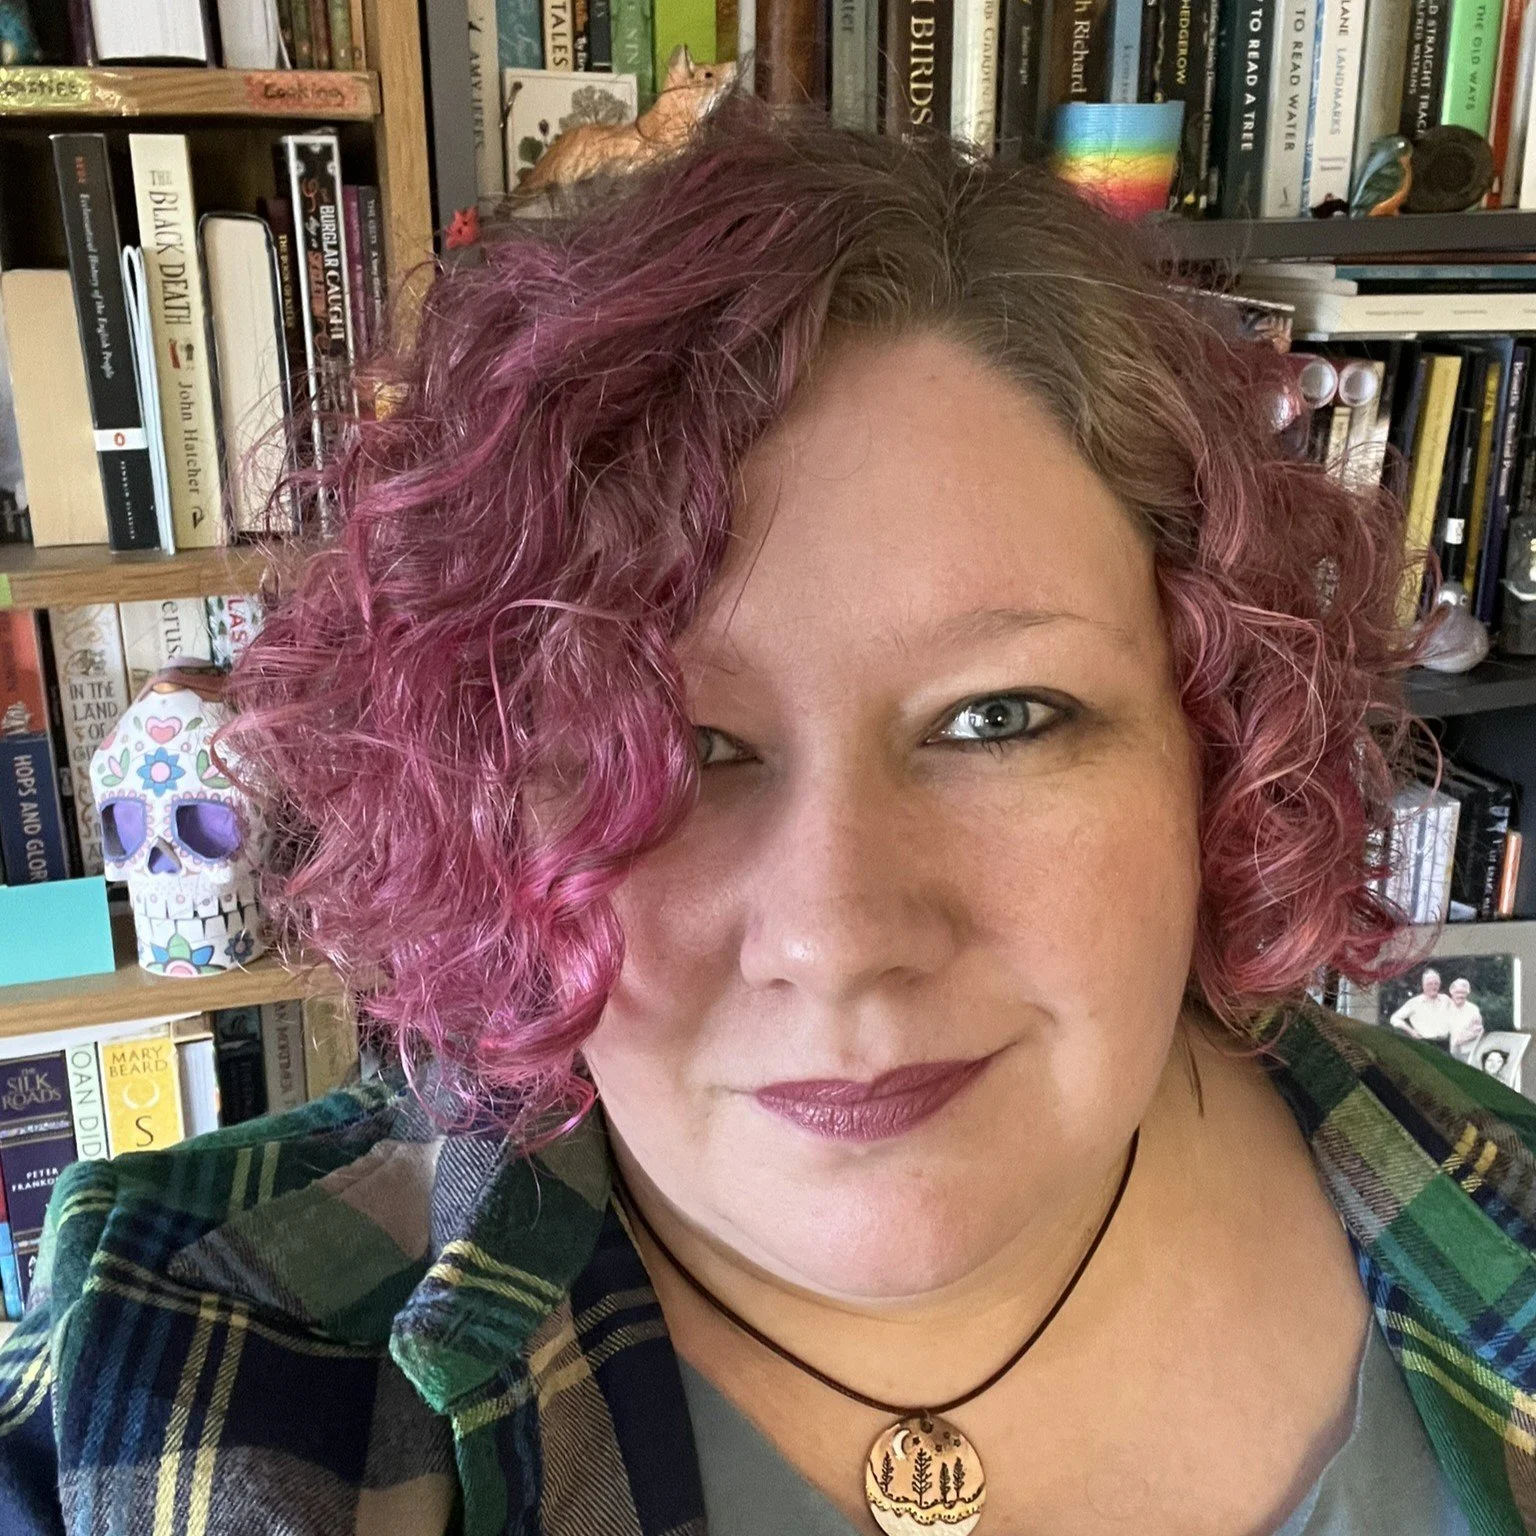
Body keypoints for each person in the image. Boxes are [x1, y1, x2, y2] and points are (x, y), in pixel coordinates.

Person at [7, 106, 1536, 1536]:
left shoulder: (1505, 1221)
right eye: (668, 747)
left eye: (998, 716)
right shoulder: (181, 1360)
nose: (839, 935)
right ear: (481, 808)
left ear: (1215, 741)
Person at [1388, 967, 1452, 1046]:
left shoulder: (1445, 999)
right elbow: (1394, 1019)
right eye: (1430, 984)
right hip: (1424, 1043)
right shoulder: (1414, 1003)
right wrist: (1411, 1031)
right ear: (1423, 985)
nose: (1433, 987)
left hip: (1445, 1043)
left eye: (1436, 984)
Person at [1444, 977, 1487, 1063]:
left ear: (1467, 993)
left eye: (1463, 992)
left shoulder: (1473, 1010)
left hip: (1468, 1052)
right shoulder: (1447, 1008)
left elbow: (1478, 1031)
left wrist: (1462, 1039)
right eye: (1457, 992)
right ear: (1451, 993)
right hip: (1451, 1052)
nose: (1460, 995)